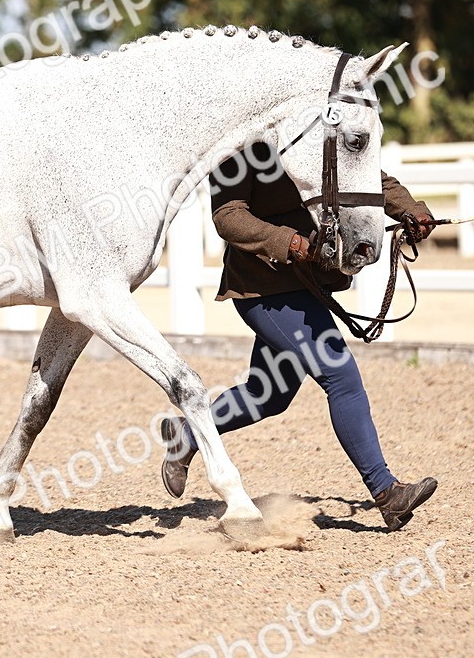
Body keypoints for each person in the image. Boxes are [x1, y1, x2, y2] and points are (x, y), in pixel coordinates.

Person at [159, 143, 437, 531]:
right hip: (264, 289)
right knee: (341, 378)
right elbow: (228, 217)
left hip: (305, 285)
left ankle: (186, 434)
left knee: (267, 395)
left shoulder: (315, 135)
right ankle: (386, 492)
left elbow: (368, 180)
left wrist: (411, 209)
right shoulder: (243, 147)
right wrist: (288, 242)